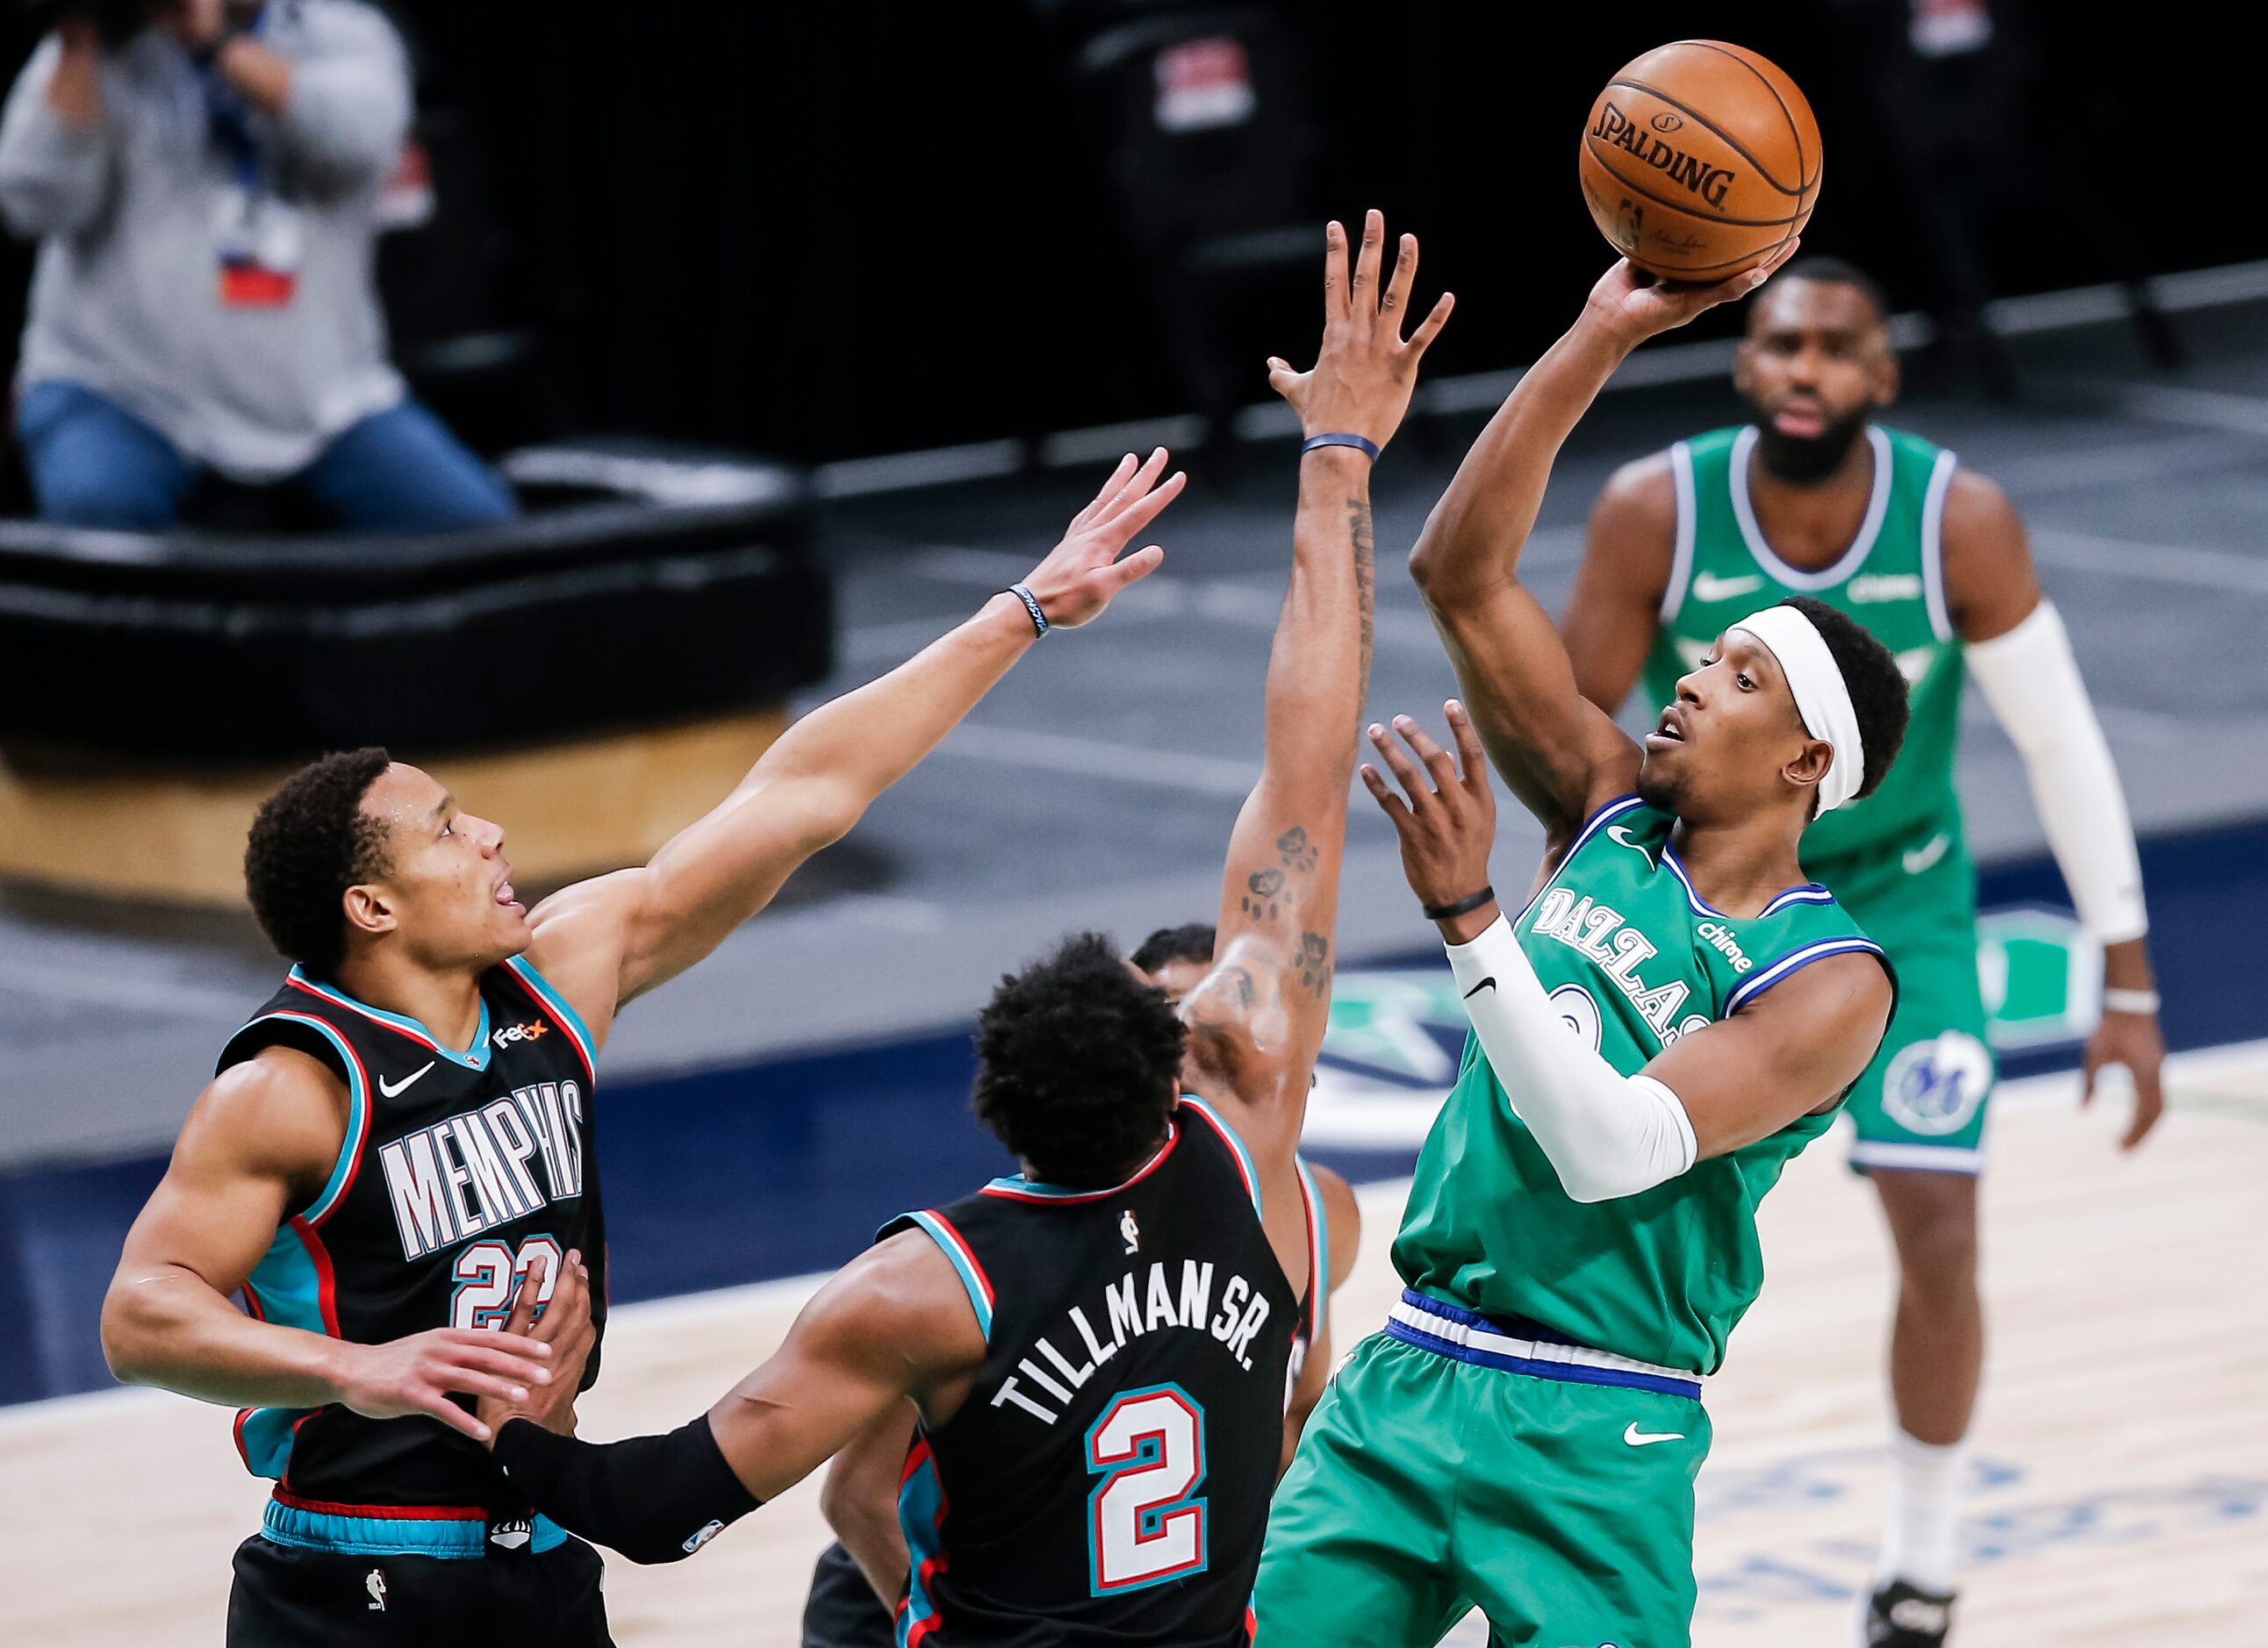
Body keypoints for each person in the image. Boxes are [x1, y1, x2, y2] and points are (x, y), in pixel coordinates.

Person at [477, 211, 1446, 1648]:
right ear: (1180, 1063)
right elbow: (1307, 747)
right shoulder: (1266, 1176)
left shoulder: (923, 1281)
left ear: (995, 1106)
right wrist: (1339, 456)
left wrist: (513, 1431)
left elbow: (664, 1501)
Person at [96, 451, 1183, 1645]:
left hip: (547, 1543)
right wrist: (357, 1366)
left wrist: (1021, 610)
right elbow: (143, 1312)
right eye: (451, 830)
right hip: (358, 1570)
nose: (493, 833)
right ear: (372, 907)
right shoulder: (294, 1085)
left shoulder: (561, 972)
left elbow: (804, 793)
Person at [1252, 242, 1922, 1647]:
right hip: (1408, 1373)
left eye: (1739, 675)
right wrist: (1600, 331)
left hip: (1598, 1422)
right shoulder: (1607, 806)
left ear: (1809, 759)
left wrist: (1471, 921)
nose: (1688, 673)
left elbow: (1611, 1147)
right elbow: (1460, 567)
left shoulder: (1831, 980)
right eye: (1704, 655)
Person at [1559, 255, 2166, 1646]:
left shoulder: (1961, 520)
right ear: (1746, 364)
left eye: (1837, 347)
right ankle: (1551, 1509)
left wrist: (2125, 971)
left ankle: (1924, 1570)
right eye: (1782, 345)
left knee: (1941, 1225)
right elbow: (1577, 728)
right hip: (1697, 897)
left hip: (1897, 904)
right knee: (1603, 1208)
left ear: (1883, 376)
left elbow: (2058, 741)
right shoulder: (1660, 507)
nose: (1806, 369)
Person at [798, 921, 1361, 1648]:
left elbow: (1296, 1415)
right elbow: (858, 1497)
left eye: (1208, 1026)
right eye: (1172, 1021)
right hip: (899, 1597)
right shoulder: (1013, 1262)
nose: (1192, 1048)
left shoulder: (1315, 1216)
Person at [0, 1, 515, 532]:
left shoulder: (343, 32)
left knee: (475, 530)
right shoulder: (107, 41)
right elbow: (30, 204)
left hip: (324, 405)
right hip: (121, 393)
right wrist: (79, 45)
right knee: (100, 517)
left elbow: (357, 140)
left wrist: (218, 43)